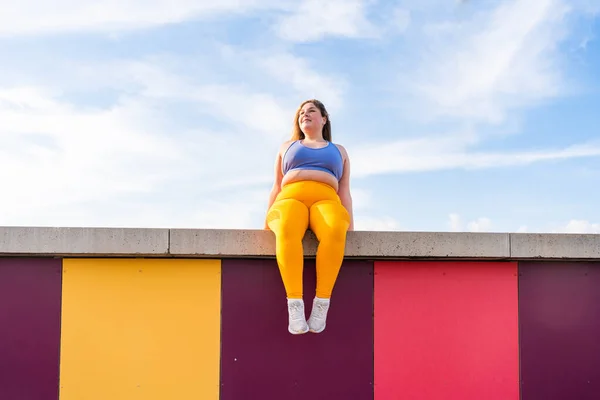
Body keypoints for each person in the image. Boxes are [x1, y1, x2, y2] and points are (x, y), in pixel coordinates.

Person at [264, 99, 354, 335]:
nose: (305, 114)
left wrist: (351, 227)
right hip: (289, 199)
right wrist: (266, 221)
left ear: (324, 118)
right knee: (286, 226)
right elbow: (275, 186)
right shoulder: (287, 147)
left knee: (335, 227)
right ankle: (294, 304)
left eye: (311, 111)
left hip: (326, 200)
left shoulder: (340, 151)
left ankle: (321, 303)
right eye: (301, 112)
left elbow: (344, 190)